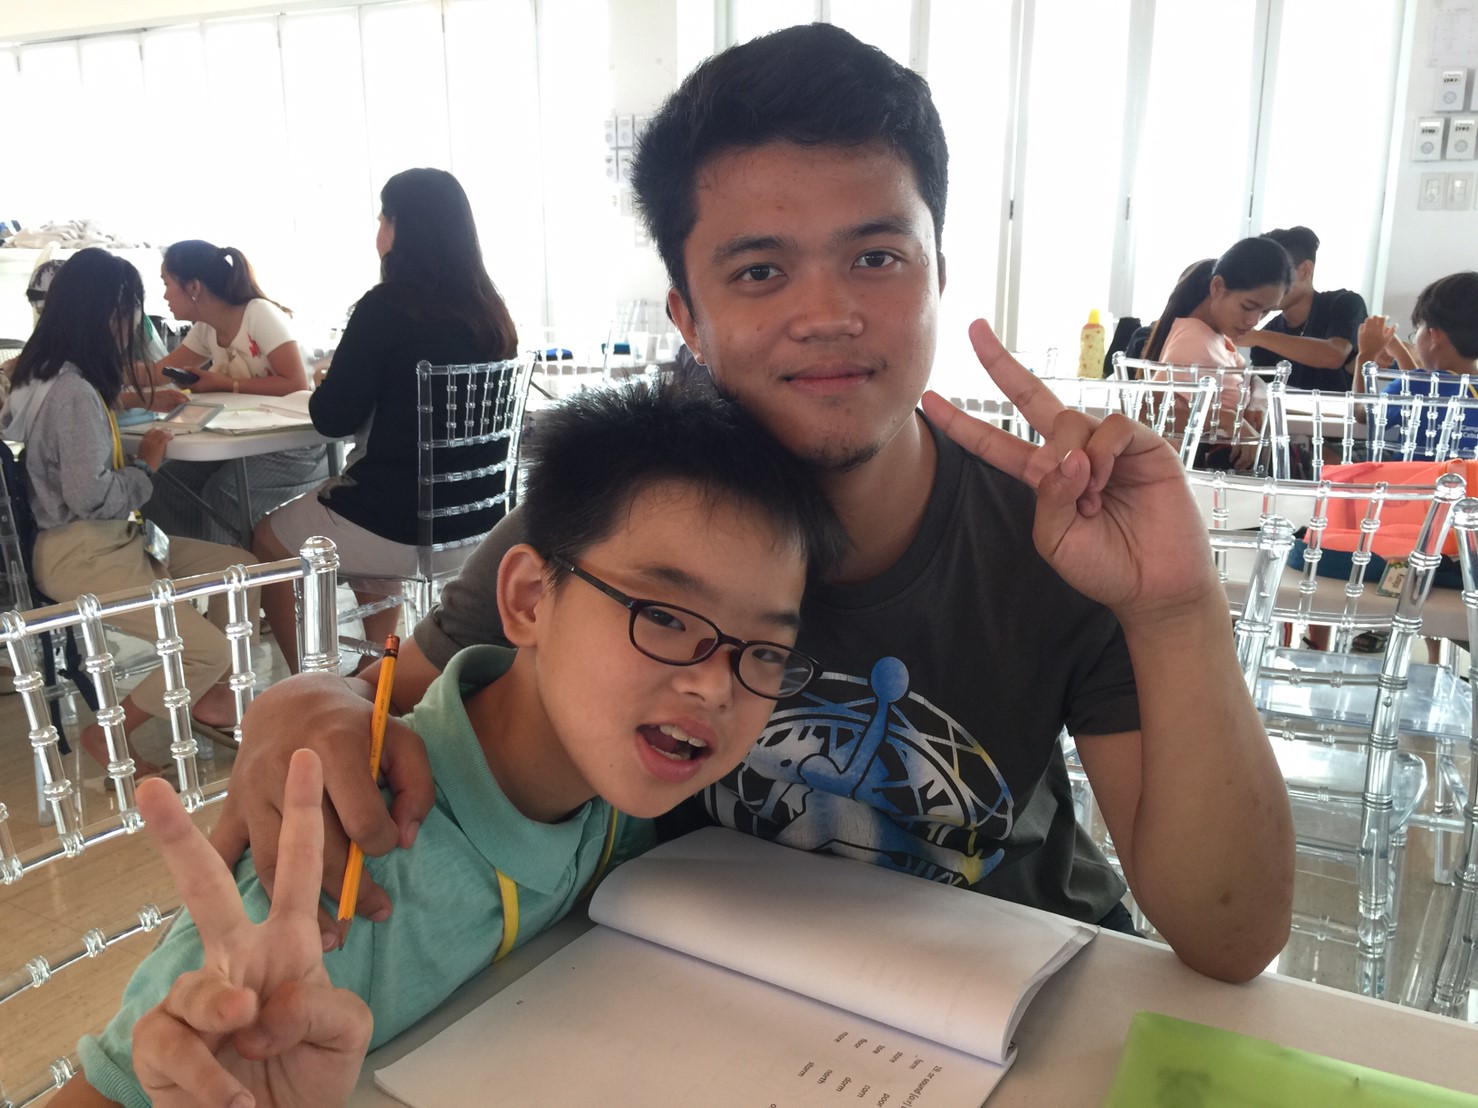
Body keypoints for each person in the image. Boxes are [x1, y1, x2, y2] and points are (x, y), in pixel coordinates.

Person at [220, 24, 1294, 985]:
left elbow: (1231, 939)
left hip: (1015, 996)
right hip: (705, 1007)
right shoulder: (621, 524)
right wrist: (299, 707)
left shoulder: (1055, 532)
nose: (826, 314)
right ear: (687, 316)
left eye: (876, 256)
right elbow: (385, 699)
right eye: (759, 272)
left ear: (937, 274)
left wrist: (1173, 606)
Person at [51, 379, 844, 1108]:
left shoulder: (614, 801)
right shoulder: (340, 866)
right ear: (528, 599)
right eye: (663, 616)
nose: (715, 685)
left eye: (764, 651)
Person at [251, 168, 519, 673]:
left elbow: (332, 418)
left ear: (400, 228)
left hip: (401, 526)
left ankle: (310, 685)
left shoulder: (385, 308)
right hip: (479, 527)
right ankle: (379, 674)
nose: (377, 231)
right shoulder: (491, 313)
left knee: (267, 540)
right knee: (368, 513)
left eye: (381, 219)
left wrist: (333, 377)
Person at [0, 249, 254, 775]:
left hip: (102, 541)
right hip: (85, 552)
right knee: (208, 649)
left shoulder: (49, 375)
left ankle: (210, 696)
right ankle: (107, 732)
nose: (136, 326)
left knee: (240, 567)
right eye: (132, 313)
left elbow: (74, 422)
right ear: (110, 316)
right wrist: (146, 467)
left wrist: (131, 399)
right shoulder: (74, 392)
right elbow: (91, 496)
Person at [145, 240, 328, 546]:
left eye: (167, 284)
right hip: (248, 442)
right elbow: (157, 372)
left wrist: (223, 383)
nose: (164, 295)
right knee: (166, 483)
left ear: (193, 286)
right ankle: (186, 568)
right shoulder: (206, 328)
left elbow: (295, 383)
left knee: (223, 493)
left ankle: (226, 572)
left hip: (296, 446)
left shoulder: (258, 313)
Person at [1142, 237, 1293, 469]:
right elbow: (1149, 412)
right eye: (1247, 306)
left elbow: (1252, 378)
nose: (1254, 321)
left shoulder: (1216, 337)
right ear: (1217, 287)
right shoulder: (1194, 340)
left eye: (1265, 312)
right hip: (1204, 472)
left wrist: (1255, 403)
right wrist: (1227, 419)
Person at [1354, 272, 1478, 457]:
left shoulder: (1417, 386)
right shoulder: (1432, 386)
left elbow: (1363, 412)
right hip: (1465, 476)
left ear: (1434, 336)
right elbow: (1423, 387)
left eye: (1418, 327)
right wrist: (1398, 351)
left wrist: (1365, 355)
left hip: (1411, 476)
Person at [1248, 226, 1367, 392]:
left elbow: (1334, 355)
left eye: (1274, 275)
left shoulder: (1344, 303)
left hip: (1344, 409)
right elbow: (1261, 394)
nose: (1265, 285)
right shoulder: (1264, 338)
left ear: (1305, 270)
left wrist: (1254, 336)